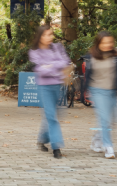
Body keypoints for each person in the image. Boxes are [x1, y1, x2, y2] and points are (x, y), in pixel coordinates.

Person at [28, 25, 70, 159]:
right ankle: (56, 147)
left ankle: (42, 139)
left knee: (54, 116)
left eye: (51, 34)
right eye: (46, 35)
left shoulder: (58, 47)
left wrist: (50, 66)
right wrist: (55, 66)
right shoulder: (34, 51)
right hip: (44, 87)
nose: (49, 37)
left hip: (58, 85)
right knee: (52, 117)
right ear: (40, 37)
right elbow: (40, 71)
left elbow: (65, 62)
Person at [82, 31, 117, 159]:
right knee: (105, 119)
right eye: (104, 42)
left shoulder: (116, 57)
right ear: (98, 43)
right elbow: (88, 76)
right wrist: (84, 90)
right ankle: (108, 147)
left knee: (113, 120)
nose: (107, 45)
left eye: (110, 42)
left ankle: (97, 138)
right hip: (97, 91)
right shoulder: (91, 57)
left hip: (112, 91)